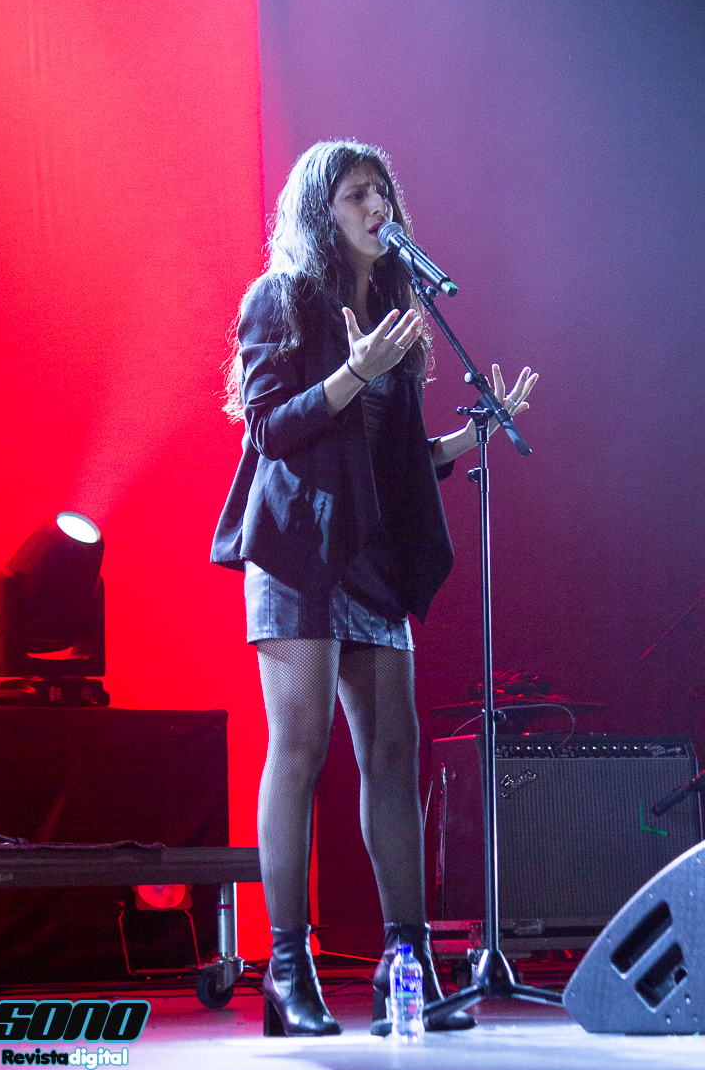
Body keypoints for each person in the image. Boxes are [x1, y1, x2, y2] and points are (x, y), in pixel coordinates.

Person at [211, 140, 538, 1037]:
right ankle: (287, 970)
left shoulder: (398, 312)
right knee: (302, 744)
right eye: (357, 193)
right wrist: (353, 371)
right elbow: (271, 429)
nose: (376, 206)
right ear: (322, 211)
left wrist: (471, 438)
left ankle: (409, 965)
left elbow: (387, 465)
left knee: (393, 752)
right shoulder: (279, 299)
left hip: (370, 554)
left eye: (383, 192)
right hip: (296, 550)